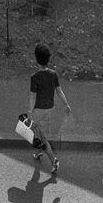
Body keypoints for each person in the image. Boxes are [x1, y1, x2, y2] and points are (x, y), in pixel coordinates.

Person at [28, 43, 72, 177]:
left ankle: (54, 161)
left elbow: (33, 97)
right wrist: (66, 104)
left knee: (40, 135)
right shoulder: (53, 74)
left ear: (37, 59)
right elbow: (59, 91)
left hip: (38, 110)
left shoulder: (35, 77)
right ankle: (38, 152)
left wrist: (30, 112)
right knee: (39, 131)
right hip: (50, 108)